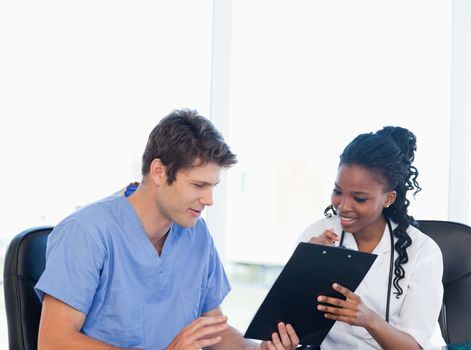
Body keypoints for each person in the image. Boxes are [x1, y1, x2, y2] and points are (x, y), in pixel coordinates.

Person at [35, 109, 300, 350]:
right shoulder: (87, 232)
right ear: (159, 172)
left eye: (212, 187)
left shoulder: (196, 234)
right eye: (198, 186)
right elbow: (53, 342)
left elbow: (213, 330)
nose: (209, 200)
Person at [298, 126, 444, 349]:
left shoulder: (423, 252)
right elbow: (288, 322)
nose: (343, 206)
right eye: (338, 192)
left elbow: (414, 346)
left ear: (389, 198)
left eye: (359, 198)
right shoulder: (315, 236)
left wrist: (369, 320)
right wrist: (304, 265)